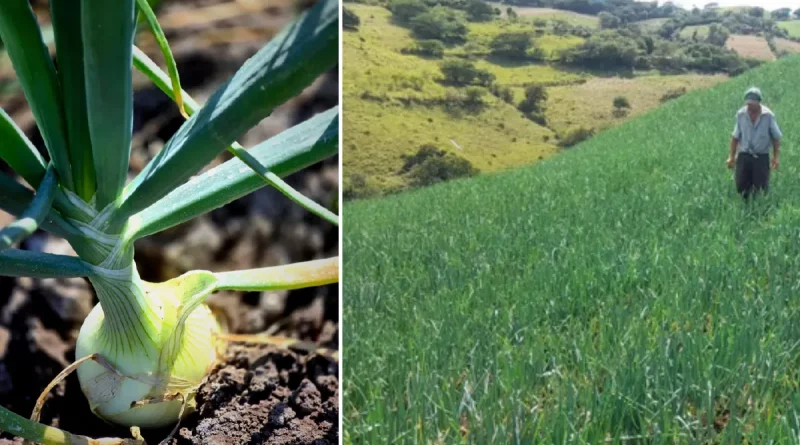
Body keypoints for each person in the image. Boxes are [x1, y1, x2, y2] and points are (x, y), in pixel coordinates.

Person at [727, 87, 782, 200]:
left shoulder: (768, 116)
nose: (750, 107)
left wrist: (775, 157)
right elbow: (735, 137)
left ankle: (759, 211)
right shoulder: (741, 114)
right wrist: (731, 157)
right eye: (748, 104)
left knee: (760, 188)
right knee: (741, 186)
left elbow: (776, 138)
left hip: (761, 157)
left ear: (758, 103)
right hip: (744, 155)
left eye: (752, 104)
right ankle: (745, 208)